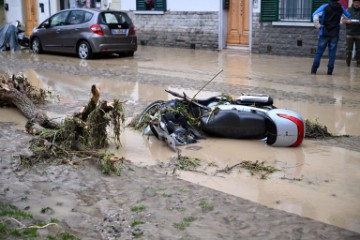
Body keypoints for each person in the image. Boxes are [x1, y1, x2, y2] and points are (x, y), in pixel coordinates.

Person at [311, 0, 351, 75]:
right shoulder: (341, 8)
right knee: (332, 53)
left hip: (324, 32)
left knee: (319, 53)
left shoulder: (325, 6)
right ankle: (330, 71)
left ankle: (314, 70)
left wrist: (318, 26)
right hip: (335, 33)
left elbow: (315, 15)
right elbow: (348, 16)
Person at [342, 0, 360, 67]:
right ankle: (348, 63)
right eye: (355, 2)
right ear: (353, 3)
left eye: (358, 2)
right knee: (349, 49)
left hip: (358, 33)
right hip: (349, 33)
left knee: (359, 50)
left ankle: (358, 63)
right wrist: (347, 21)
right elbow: (343, 21)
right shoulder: (348, 10)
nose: (357, 4)